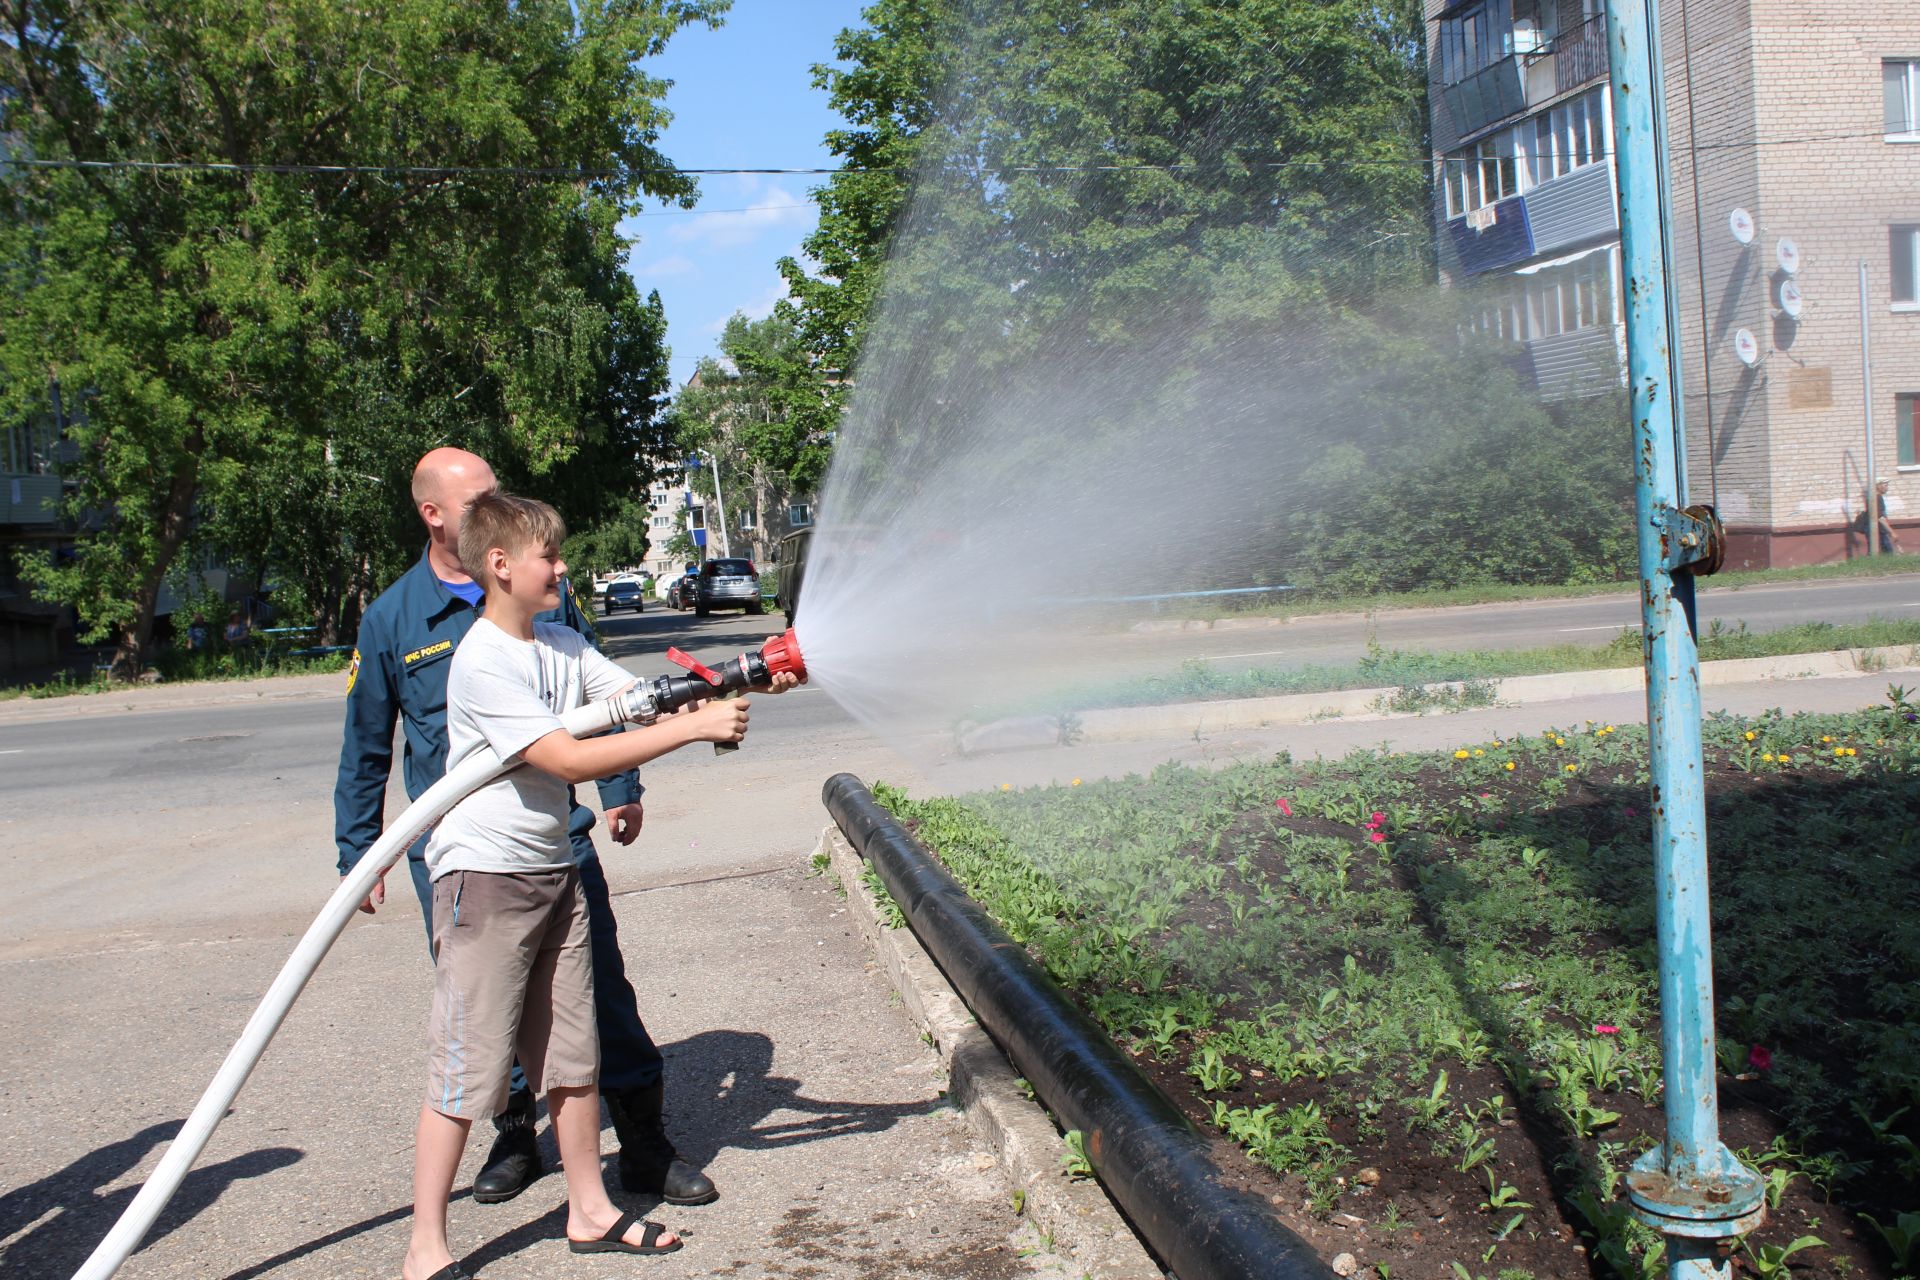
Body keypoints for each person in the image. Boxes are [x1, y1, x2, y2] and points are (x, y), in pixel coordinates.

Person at [404, 492, 790, 1280]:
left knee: (573, 1055)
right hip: (485, 878)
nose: (563, 566)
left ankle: (591, 1210)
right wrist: (694, 728)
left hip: (553, 868)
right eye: (549, 555)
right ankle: (424, 1245)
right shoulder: (482, 660)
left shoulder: (557, 643)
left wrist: (743, 678)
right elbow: (568, 759)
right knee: (466, 1065)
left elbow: (630, 700)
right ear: (501, 565)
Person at [333, 447, 712, 1208]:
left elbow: (595, 694)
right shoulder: (393, 620)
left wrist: (622, 785)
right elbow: (366, 746)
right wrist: (360, 854)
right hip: (465, 855)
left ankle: (644, 1144)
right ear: (434, 515)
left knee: (599, 996)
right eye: (475, 500)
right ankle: (514, 1140)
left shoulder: (542, 602)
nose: (491, 506)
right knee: (488, 1015)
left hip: (557, 835)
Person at [1855, 478, 1903, 556]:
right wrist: (1892, 532)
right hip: (1876, 530)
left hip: (1875, 529)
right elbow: (1880, 517)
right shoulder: (1877, 498)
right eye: (1885, 485)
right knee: (1887, 553)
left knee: (1877, 552)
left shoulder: (1873, 497)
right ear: (1878, 486)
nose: (1887, 487)